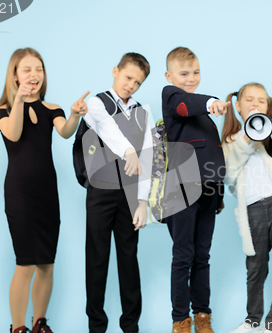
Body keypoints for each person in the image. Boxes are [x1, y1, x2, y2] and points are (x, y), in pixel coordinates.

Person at [0, 47, 88, 333]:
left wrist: (74, 114)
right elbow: (14, 133)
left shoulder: (51, 109)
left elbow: (66, 131)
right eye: (27, 69)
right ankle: (18, 327)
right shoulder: (3, 111)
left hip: (48, 192)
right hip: (19, 193)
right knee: (26, 262)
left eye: (39, 69)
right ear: (14, 75)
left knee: (46, 262)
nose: (34, 75)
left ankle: (40, 323)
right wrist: (20, 99)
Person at [222, 83, 272, 333]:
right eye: (249, 100)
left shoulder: (271, 135)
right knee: (256, 267)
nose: (255, 104)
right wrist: (247, 137)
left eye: (262, 101)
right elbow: (230, 172)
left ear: (268, 107)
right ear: (237, 105)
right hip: (253, 208)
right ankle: (252, 319)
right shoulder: (230, 140)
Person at [82, 52, 152, 333]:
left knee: (128, 260)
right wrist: (128, 150)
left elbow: (149, 155)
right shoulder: (95, 103)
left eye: (137, 82)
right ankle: (96, 326)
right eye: (127, 78)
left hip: (130, 194)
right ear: (115, 71)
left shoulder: (143, 112)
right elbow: (108, 129)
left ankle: (130, 326)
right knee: (97, 259)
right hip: (100, 191)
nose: (131, 85)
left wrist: (144, 201)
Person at [162, 46, 230, 333]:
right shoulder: (173, 97)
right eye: (184, 73)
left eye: (196, 72)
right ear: (170, 76)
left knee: (203, 256)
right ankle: (181, 321)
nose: (191, 78)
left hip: (209, 191)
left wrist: (219, 194)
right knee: (183, 256)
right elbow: (184, 105)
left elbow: (213, 155)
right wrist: (212, 100)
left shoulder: (204, 114)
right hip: (182, 189)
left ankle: (203, 317)